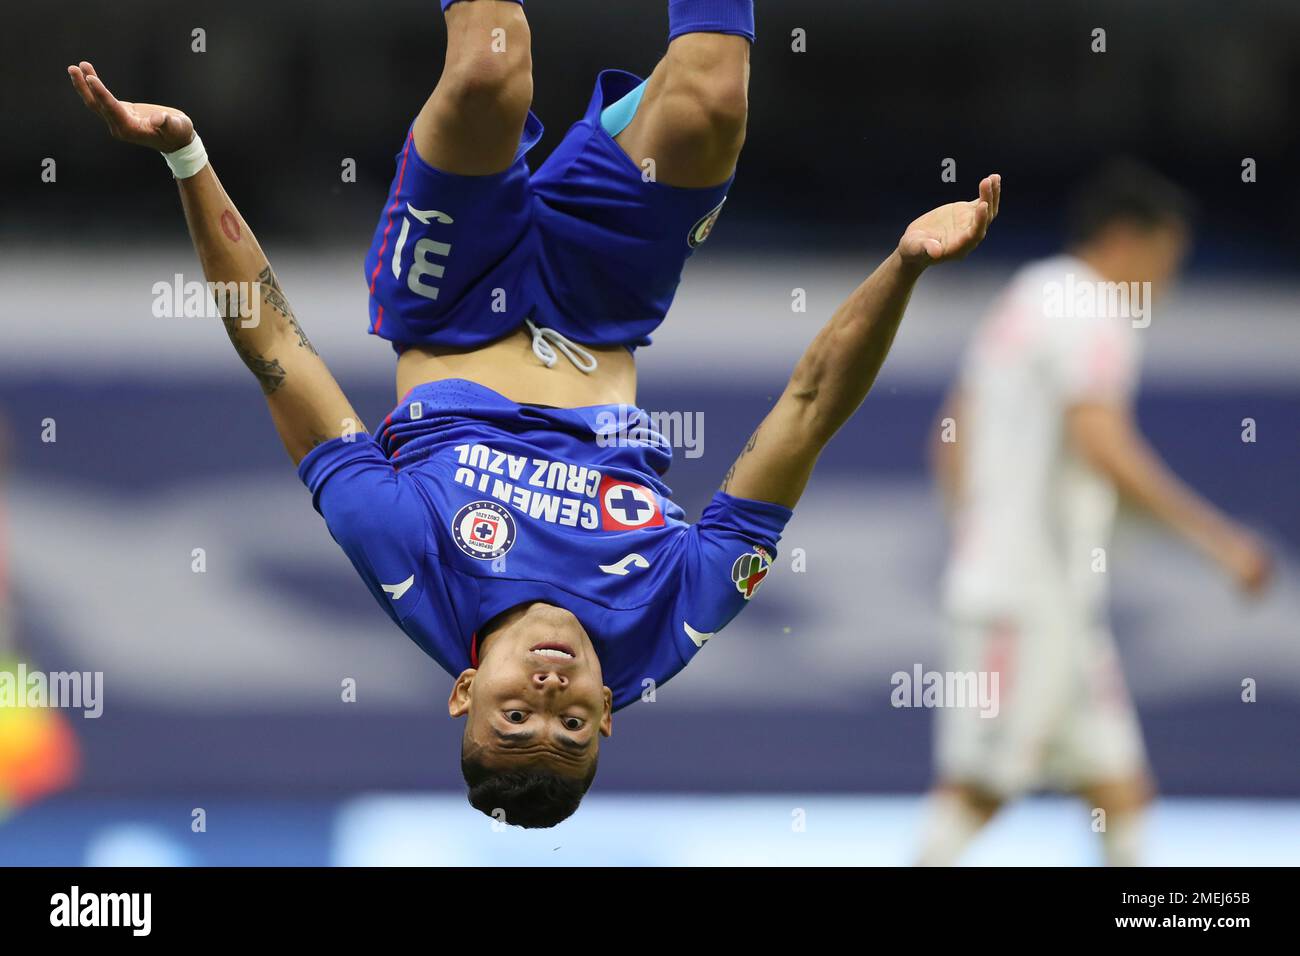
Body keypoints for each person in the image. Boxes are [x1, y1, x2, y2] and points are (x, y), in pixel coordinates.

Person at [68, 0, 1002, 828]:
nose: (549, 695)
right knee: (712, 95)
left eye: (515, 714)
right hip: (602, 300)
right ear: (607, 715)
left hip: (451, 293)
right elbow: (803, 414)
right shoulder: (672, 617)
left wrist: (187, 158)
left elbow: (277, 354)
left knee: (488, 70)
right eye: (571, 723)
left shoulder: (405, 560)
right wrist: (906, 266)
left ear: (465, 692)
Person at [920, 160, 1271, 866]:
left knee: (1117, 787)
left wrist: (981, 536)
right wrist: (1218, 540)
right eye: (1166, 259)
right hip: (1025, 598)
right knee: (980, 790)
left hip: (1046, 598)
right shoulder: (1098, 310)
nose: (1167, 282)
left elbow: (949, 435)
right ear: (1125, 239)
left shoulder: (1028, 293)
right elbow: (1100, 439)